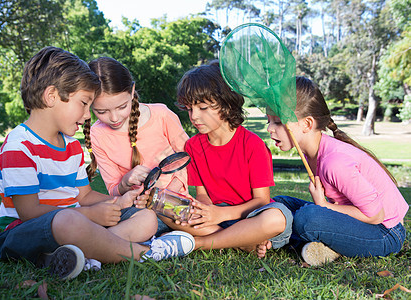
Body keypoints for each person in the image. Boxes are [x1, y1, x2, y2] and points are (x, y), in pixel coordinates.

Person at [0, 46, 195, 280]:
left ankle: (84, 255)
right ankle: (147, 253)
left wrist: (119, 201)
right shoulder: (19, 146)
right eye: (84, 103)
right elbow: (28, 212)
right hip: (23, 232)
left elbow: (85, 196)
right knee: (69, 219)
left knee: (146, 218)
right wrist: (90, 215)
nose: (88, 116)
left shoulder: (71, 146)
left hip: (76, 222)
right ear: (51, 97)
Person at [268, 76, 408, 266]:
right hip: (362, 224)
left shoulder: (334, 163)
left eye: (277, 122)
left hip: (385, 233)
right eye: (269, 121)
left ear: (307, 124)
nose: (269, 129)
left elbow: (375, 215)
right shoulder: (313, 153)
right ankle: (327, 245)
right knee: (280, 202)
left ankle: (280, 237)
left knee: (307, 218)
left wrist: (324, 206)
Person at [171, 60, 292, 258]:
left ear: (226, 105)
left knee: (277, 217)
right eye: (189, 109)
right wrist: (205, 210)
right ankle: (240, 242)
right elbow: (201, 194)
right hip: (216, 218)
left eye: (202, 108)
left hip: (251, 217)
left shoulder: (253, 145)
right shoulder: (193, 146)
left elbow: (261, 201)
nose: (194, 116)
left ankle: (200, 243)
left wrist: (220, 215)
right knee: (166, 206)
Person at [83, 57, 189, 235]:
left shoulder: (161, 115)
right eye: (101, 112)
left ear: (132, 91)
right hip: (137, 212)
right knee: (136, 223)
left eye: (122, 106)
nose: (114, 118)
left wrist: (165, 195)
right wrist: (125, 182)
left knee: (172, 224)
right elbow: (113, 190)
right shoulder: (97, 135)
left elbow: (190, 160)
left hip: (176, 203)